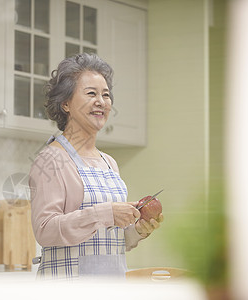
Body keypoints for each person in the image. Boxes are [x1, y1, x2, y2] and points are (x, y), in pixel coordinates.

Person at [29, 53, 163, 280]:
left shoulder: (108, 162)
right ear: (66, 104)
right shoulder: (51, 159)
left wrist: (137, 231)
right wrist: (106, 213)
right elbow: (45, 230)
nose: (101, 101)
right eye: (91, 93)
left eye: (106, 95)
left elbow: (107, 241)